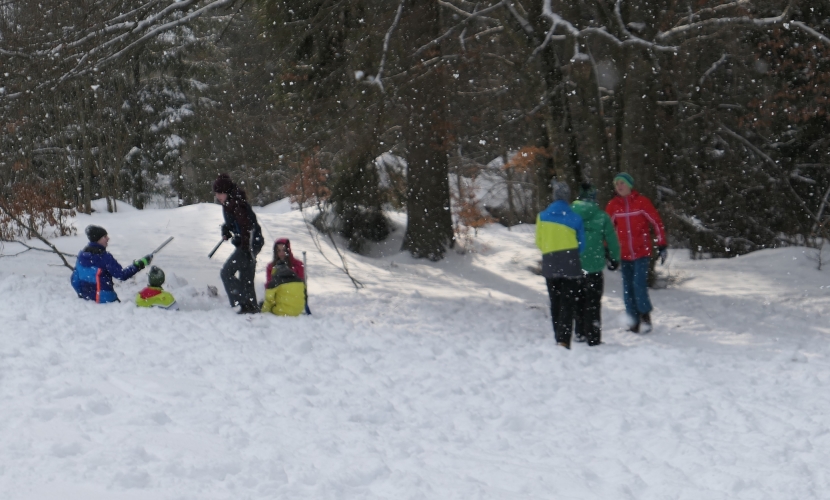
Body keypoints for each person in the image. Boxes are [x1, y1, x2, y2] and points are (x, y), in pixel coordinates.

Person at [604, 172, 667, 333]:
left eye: (622, 183)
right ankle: (633, 321)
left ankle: (645, 318)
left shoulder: (642, 202)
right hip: (624, 254)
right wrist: (607, 250)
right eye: (616, 183)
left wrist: (662, 244)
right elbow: (608, 230)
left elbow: (656, 222)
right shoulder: (613, 205)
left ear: (629, 185)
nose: (619, 186)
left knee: (638, 285)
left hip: (642, 252)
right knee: (627, 288)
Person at [536, 181, 586, 349]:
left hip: (550, 262)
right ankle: (564, 339)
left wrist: (550, 250)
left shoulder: (542, 216)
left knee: (555, 301)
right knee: (568, 302)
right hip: (571, 262)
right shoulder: (576, 218)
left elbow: (539, 241)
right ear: (567, 197)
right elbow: (582, 244)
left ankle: (558, 336)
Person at [571, 183, 621, 346]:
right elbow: (612, 239)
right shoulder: (602, 216)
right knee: (593, 303)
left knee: (578, 300)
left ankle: (579, 333)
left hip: (575, 265)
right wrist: (614, 257)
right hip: (594, 266)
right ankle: (593, 336)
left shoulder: (570, 214)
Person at [213, 173, 265, 314]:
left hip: (249, 243)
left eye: (220, 193)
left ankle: (241, 303)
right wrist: (226, 230)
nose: (218, 196)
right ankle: (250, 307)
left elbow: (247, 228)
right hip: (249, 243)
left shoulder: (237, 204)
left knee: (226, 273)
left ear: (226, 192)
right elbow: (233, 224)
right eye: (216, 193)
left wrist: (247, 250)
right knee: (246, 276)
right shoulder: (229, 203)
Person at [70, 225, 152, 303]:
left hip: (88, 300)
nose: (108, 238)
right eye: (105, 237)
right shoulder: (104, 257)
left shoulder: (82, 256)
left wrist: (83, 294)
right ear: (97, 239)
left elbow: (74, 280)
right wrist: (139, 264)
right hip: (105, 299)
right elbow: (121, 275)